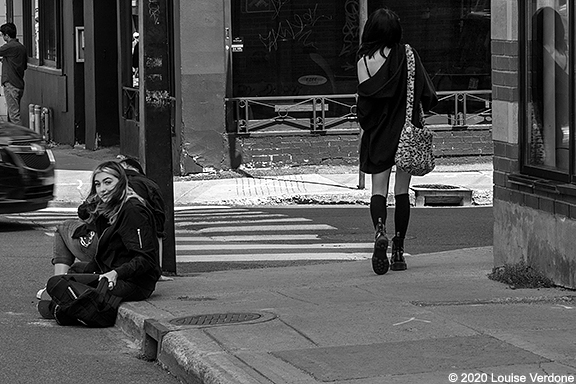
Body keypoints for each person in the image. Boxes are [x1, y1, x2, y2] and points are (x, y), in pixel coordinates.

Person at [356, 8, 437, 275]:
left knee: (378, 192)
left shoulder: (363, 61)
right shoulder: (408, 55)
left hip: (378, 135)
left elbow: (364, 106)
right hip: (405, 134)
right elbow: (426, 94)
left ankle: (379, 229)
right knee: (402, 192)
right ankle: (399, 249)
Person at [38, 161, 161, 320]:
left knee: (55, 283)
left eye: (108, 182)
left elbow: (146, 259)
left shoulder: (133, 210)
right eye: (98, 184)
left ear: (121, 182)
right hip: (109, 271)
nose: (103, 189)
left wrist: (115, 273)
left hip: (133, 282)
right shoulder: (110, 208)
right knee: (75, 270)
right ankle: (77, 307)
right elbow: (85, 214)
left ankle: (61, 310)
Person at [0, 22, 27, 125]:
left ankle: (21, 139)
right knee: (13, 113)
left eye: (3, 35)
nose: (2, 37)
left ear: (7, 35)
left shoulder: (9, 47)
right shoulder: (21, 47)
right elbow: (23, 66)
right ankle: (15, 137)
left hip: (11, 84)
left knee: (14, 116)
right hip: (19, 84)